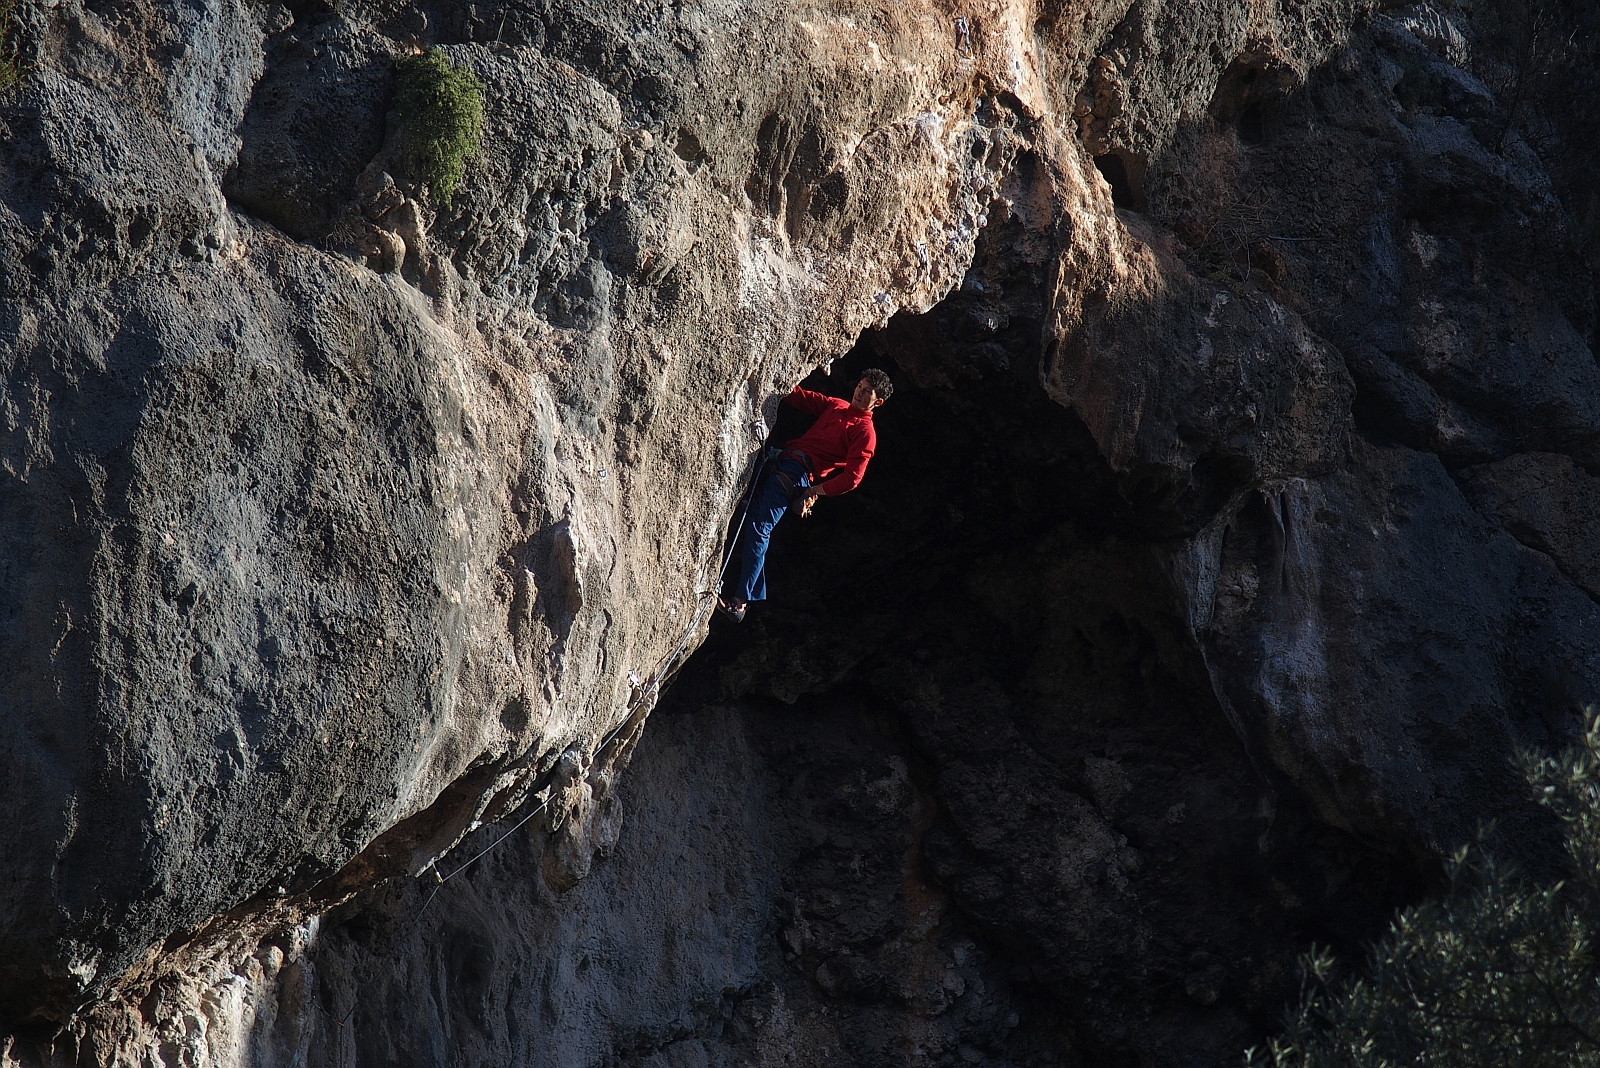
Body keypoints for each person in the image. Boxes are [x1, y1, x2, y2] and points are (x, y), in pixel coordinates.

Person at [719, 368, 893, 622]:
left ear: (878, 402)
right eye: (860, 385)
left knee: (759, 526)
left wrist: (815, 491)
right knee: (746, 513)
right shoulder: (837, 405)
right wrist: (771, 374)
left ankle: (741, 602)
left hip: (797, 473)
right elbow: (800, 397)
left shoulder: (864, 433)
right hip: (781, 459)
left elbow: (852, 478)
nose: (859, 392)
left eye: (867, 392)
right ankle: (744, 592)